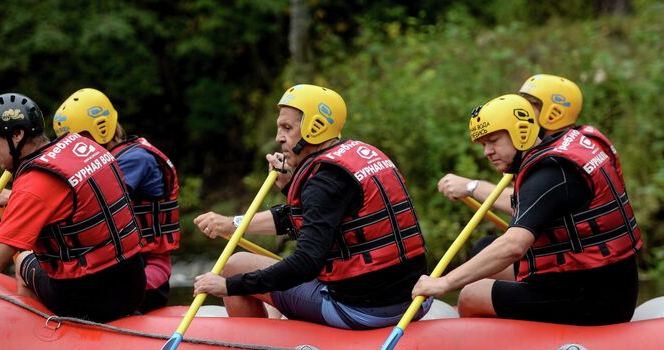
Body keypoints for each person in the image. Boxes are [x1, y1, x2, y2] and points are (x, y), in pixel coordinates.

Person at [192, 84, 430, 329]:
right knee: (263, 274)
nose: (279, 138)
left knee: (235, 266)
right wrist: (286, 189)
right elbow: (321, 216)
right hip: (416, 299)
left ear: (314, 128)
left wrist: (228, 286)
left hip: (361, 310)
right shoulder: (363, 155)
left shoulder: (324, 181)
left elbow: (305, 263)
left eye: (287, 128)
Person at [0, 93, 146, 322]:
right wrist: (13, 199)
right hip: (134, 284)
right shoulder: (84, 146)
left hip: (88, 300)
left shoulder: (35, 183)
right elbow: (71, 204)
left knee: (24, 258)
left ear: (17, 135)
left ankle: (34, 333)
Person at [412, 94, 641, 326]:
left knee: (470, 295)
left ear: (520, 132)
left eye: (494, 141)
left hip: (596, 299)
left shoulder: (549, 174)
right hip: (594, 277)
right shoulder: (562, 147)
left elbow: (513, 246)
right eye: (483, 144)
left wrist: (445, 282)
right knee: (484, 248)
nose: (487, 152)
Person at [52, 88, 179, 312]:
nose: (72, 149)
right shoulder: (102, 163)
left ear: (102, 130)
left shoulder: (136, 159)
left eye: (78, 139)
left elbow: (96, 199)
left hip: (147, 269)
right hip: (117, 267)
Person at [437, 74, 615, 215]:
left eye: (530, 105)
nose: (522, 111)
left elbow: (526, 202)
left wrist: (472, 187)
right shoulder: (546, 148)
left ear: (554, 113)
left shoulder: (569, 152)